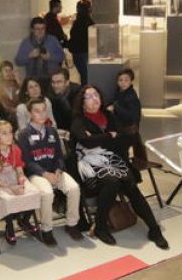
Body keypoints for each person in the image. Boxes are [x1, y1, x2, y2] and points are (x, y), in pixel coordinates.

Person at [71, 85, 167, 249]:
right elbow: (85, 142)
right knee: (112, 182)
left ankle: (154, 229)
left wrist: (97, 138)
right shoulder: (78, 120)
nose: (94, 98)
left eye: (96, 94)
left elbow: (125, 139)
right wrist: (109, 135)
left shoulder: (109, 115)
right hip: (90, 165)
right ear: (82, 103)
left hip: (115, 161)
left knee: (130, 186)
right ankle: (101, 226)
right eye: (89, 96)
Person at [18, 97, 85, 243]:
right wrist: (45, 174)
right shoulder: (23, 134)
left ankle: (72, 224)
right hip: (36, 174)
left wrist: (59, 170)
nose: (42, 114)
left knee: (74, 188)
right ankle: (47, 229)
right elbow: (27, 162)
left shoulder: (52, 131)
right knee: (47, 193)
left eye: (44, 111)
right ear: (30, 113)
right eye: (37, 111)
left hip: (55, 172)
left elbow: (59, 156)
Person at [0, 121, 43, 245]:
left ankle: (24, 220)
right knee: (8, 199)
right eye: (4, 133)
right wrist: (11, 187)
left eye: (10, 132)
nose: (9, 136)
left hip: (13, 176)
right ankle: (9, 226)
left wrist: (20, 179)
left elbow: (19, 169)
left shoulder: (15, 149)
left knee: (35, 193)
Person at [109, 68, 148, 167]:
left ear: (131, 81)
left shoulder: (131, 97)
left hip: (127, 131)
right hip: (121, 128)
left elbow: (132, 117)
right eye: (120, 80)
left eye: (126, 80)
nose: (123, 83)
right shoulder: (120, 91)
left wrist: (115, 107)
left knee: (122, 152)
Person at [68, 0, 95, 84]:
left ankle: (84, 92)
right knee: (85, 75)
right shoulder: (88, 21)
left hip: (80, 51)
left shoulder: (78, 22)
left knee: (84, 75)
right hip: (83, 51)